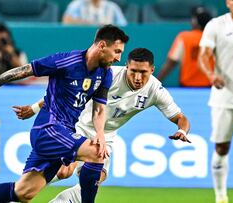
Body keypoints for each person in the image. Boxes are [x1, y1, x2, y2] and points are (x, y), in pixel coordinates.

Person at [0, 24, 129, 203]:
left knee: (23, 192)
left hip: (65, 132)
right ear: (102, 45)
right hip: (48, 129)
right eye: (117, 51)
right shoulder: (67, 61)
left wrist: (100, 135)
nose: (118, 58)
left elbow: (99, 109)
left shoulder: (104, 74)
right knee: (97, 153)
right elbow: (27, 69)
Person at [14, 48, 191, 203]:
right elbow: (66, 94)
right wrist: (34, 108)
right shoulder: (109, 75)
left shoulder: (155, 90)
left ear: (152, 70)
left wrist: (182, 130)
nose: (138, 78)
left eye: (143, 72)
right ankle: (18, 191)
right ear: (126, 67)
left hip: (107, 135)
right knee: (64, 172)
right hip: (80, 125)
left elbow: (180, 117)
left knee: (97, 178)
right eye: (133, 71)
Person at [198, 0, 233, 203]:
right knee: (222, 148)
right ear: (227, 3)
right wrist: (211, 74)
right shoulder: (216, 25)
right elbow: (203, 55)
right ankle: (221, 196)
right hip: (224, 97)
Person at [157, 6, 213, 87]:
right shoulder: (214, 38)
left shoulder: (184, 37)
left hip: (187, 88)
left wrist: (155, 84)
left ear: (194, 21)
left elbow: (170, 64)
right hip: (210, 88)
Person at [63, 0, 127, 26]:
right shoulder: (77, 4)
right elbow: (66, 21)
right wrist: (88, 24)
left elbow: (123, 26)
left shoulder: (112, 7)